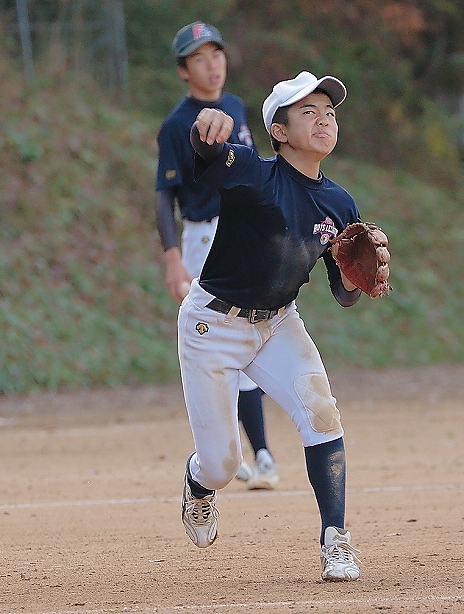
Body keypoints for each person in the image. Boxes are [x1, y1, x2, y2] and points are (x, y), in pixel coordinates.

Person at [178, 71, 368, 582]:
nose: (324, 118)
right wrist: (207, 126)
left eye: (329, 111)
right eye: (308, 112)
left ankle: (336, 542)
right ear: (279, 132)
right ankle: (198, 486)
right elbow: (208, 153)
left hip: (278, 324)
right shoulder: (254, 175)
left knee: (322, 417)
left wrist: (361, 277)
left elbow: (343, 293)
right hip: (212, 325)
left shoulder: (340, 203)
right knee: (221, 464)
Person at [155, 22, 278, 490]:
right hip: (204, 240)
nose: (213, 64)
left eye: (217, 54)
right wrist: (172, 257)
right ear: (184, 71)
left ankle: (260, 453)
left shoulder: (234, 107)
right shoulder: (176, 124)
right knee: (220, 346)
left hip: (245, 235)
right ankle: (243, 454)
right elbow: (164, 194)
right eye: (200, 58)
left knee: (253, 335)